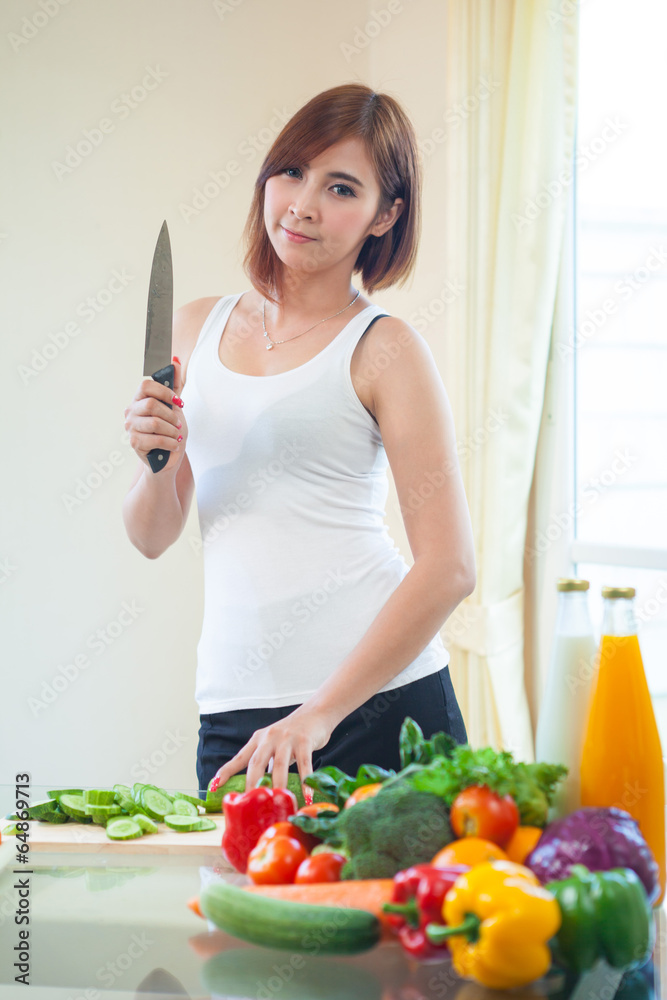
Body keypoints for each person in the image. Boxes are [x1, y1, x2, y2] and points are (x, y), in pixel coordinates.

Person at [122, 83, 476, 800]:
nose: (302, 204)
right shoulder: (194, 327)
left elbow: (449, 568)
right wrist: (155, 464)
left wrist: (317, 714)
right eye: (291, 172)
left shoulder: (385, 348)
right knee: (239, 914)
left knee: (402, 916)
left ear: (386, 215)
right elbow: (153, 536)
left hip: (380, 711)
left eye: (340, 187)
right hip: (237, 717)